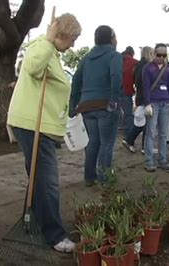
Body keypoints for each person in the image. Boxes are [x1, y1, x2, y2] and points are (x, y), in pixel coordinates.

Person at [7, 13, 81, 253]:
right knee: (47, 180)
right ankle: (55, 235)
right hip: (32, 125)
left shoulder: (52, 52)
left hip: (40, 125)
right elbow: (32, 67)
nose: (74, 44)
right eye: (73, 38)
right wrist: (48, 39)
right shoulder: (42, 46)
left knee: (39, 176)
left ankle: (35, 222)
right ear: (61, 34)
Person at [69, 25, 122, 185]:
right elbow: (116, 76)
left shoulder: (86, 58)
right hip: (105, 105)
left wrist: (73, 104)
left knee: (92, 142)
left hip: (86, 106)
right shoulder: (114, 55)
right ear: (112, 38)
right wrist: (113, 99)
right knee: (106, 143)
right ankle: (105, 180)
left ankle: (89, 177)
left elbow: (76, 81)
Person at [142, 43, 169, 172]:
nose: (161, 57)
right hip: (153, 103)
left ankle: (163, 159)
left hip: (165, 103)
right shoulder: (148, 68)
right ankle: (149, 161)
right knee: (151, 133)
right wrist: (147, 103)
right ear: (154, 54)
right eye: (158, 54)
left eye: (164, 55)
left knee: (164, 134)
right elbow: (145, 87)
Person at [122, 46, 153, 153]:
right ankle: (144, 146)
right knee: (147, 123)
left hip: (139, 96)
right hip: (146, 98)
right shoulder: (147, 66)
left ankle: (130, 140)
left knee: (141, 122)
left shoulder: (138, 65)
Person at [120, 46, 138, 139]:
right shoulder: (135, 62)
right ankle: (128, 133)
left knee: (114, 112)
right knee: (128, 113)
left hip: (113, 90)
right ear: (132, 53)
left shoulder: (117, 59)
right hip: (126, 90)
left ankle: (119, 128)